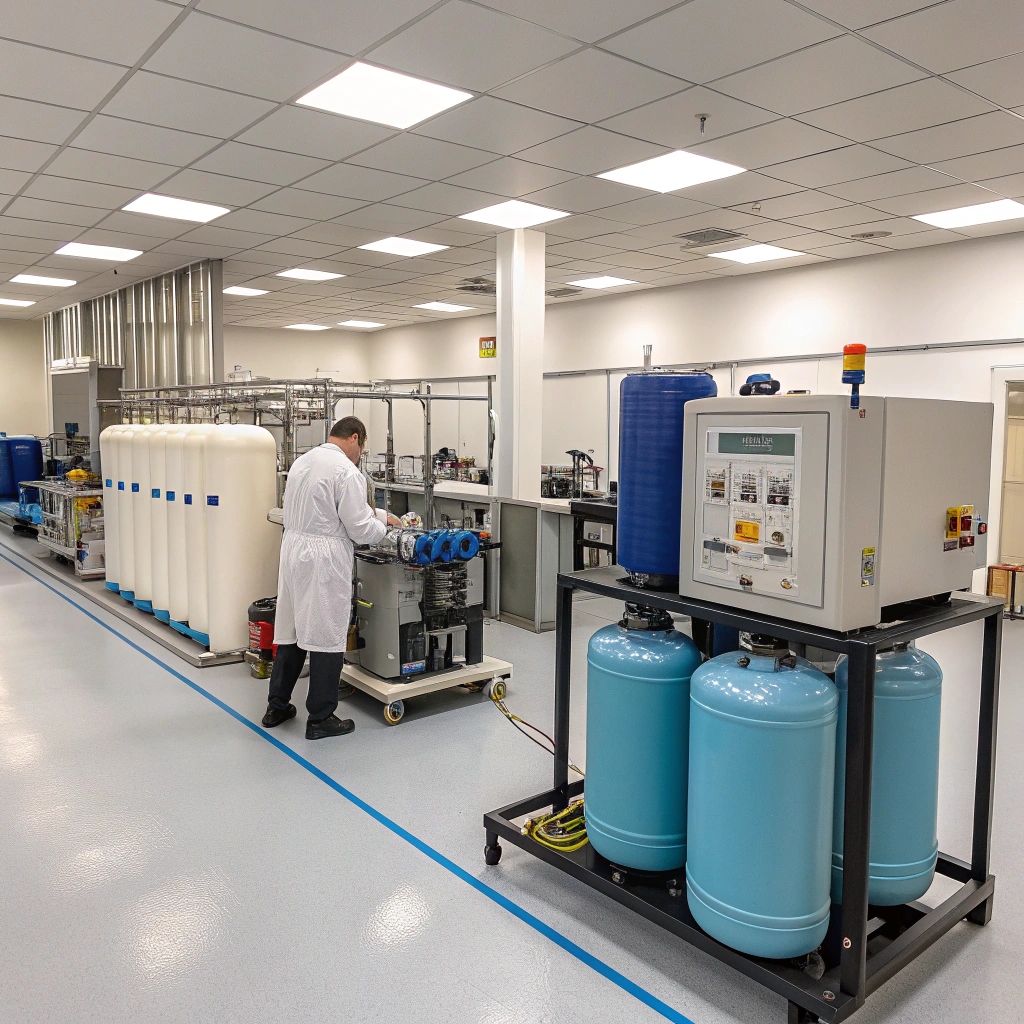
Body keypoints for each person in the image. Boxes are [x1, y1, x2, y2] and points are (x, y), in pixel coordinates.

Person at [262, 416, 400, 739]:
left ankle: (277, 705)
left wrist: (381, 514)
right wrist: (385, 528)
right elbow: (360, 528)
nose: (360, 455)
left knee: (293, 630)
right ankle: (321, 717)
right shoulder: (347, 472)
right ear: (355, 438)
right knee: (326, 632)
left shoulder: (303, 462)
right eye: (362, 448)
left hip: (293, 551)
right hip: (323, 560)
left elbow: (331, 507)